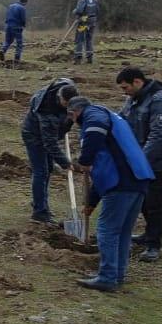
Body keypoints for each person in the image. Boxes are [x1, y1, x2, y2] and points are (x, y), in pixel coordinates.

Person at [67, 97, 154, 292]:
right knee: (122, 232)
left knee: (107, 230)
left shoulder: (94, 115)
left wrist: (85, 160)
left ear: (75, 112)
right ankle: (116, 275)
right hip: (138, 179)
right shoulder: (113, 119)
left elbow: (95, 133)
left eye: (72, 117)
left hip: (122, 182)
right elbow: (103, 169)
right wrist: (91, 202)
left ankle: (107, 277)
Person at [116, 67, 162, 262]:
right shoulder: (133, 99)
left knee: (153, 202)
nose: (124, 91)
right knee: (143, 198)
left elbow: (158, 136)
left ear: (138, 82)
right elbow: (122, 119)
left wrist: (139, 162)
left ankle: (154, 245)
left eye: (126, 87)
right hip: (143, 158)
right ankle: (148, 234)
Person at [21, 78, 78, 224]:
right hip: (34, 135)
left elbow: (69, 118)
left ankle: (39, 202)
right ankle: (39, 213)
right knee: (41, 171)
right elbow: (49, 143)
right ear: (60, 98)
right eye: (66, 105)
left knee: (49, 168)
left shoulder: (68, 87)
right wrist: (65, 163)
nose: (68, 108)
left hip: (48, 133)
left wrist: (67, 124)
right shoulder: (46, 109)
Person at [72, 0, 99, 64]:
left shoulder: (82, 0)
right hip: (92, 21)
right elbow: (97, 10)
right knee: (89, 39)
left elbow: (79, 10)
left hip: (83, 22)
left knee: (79, 39)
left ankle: (78, 58)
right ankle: (89, 57)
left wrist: (74, 11)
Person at [0, 0, 28, 64]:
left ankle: (3, 50)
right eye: (26, 4)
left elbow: (7, 15)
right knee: (19, 43)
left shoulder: (10, 6)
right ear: (25, 2)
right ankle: (17, 59)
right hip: (17, 26)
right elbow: (23, 18)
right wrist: (23, 25)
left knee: (8, 41)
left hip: (8, 26)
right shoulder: (22, 8)